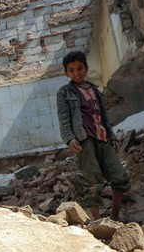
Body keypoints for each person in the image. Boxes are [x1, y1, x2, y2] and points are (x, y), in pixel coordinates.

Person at [56, 50, 130, 221]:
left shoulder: (95, 91)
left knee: (120, 177)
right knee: (93, 181)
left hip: (103, 138)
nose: (76, 73)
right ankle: (97, 221)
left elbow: (104, 116)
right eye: (72, 70)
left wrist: (111, 136)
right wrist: (69, 138)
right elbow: (64, 117)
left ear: (86, 68)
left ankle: (115, 216)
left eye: (80, 68)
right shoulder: (65, 92)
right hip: (84, 140)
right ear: (67, 73)